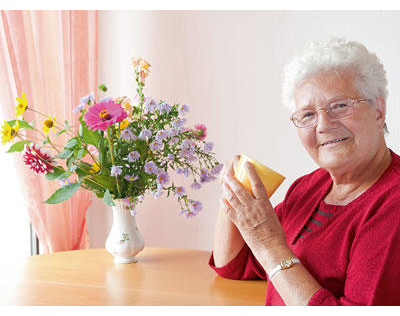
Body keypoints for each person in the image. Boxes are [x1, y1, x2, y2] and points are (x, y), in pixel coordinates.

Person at [209, 37, 400, 306]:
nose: (323, 124)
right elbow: (235, 265)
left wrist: (269, 244)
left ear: (378, 111)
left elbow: (268, 250)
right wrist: (233, 187)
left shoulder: (392, 205)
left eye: (340, 106)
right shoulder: (309, 187)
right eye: (307, 115)